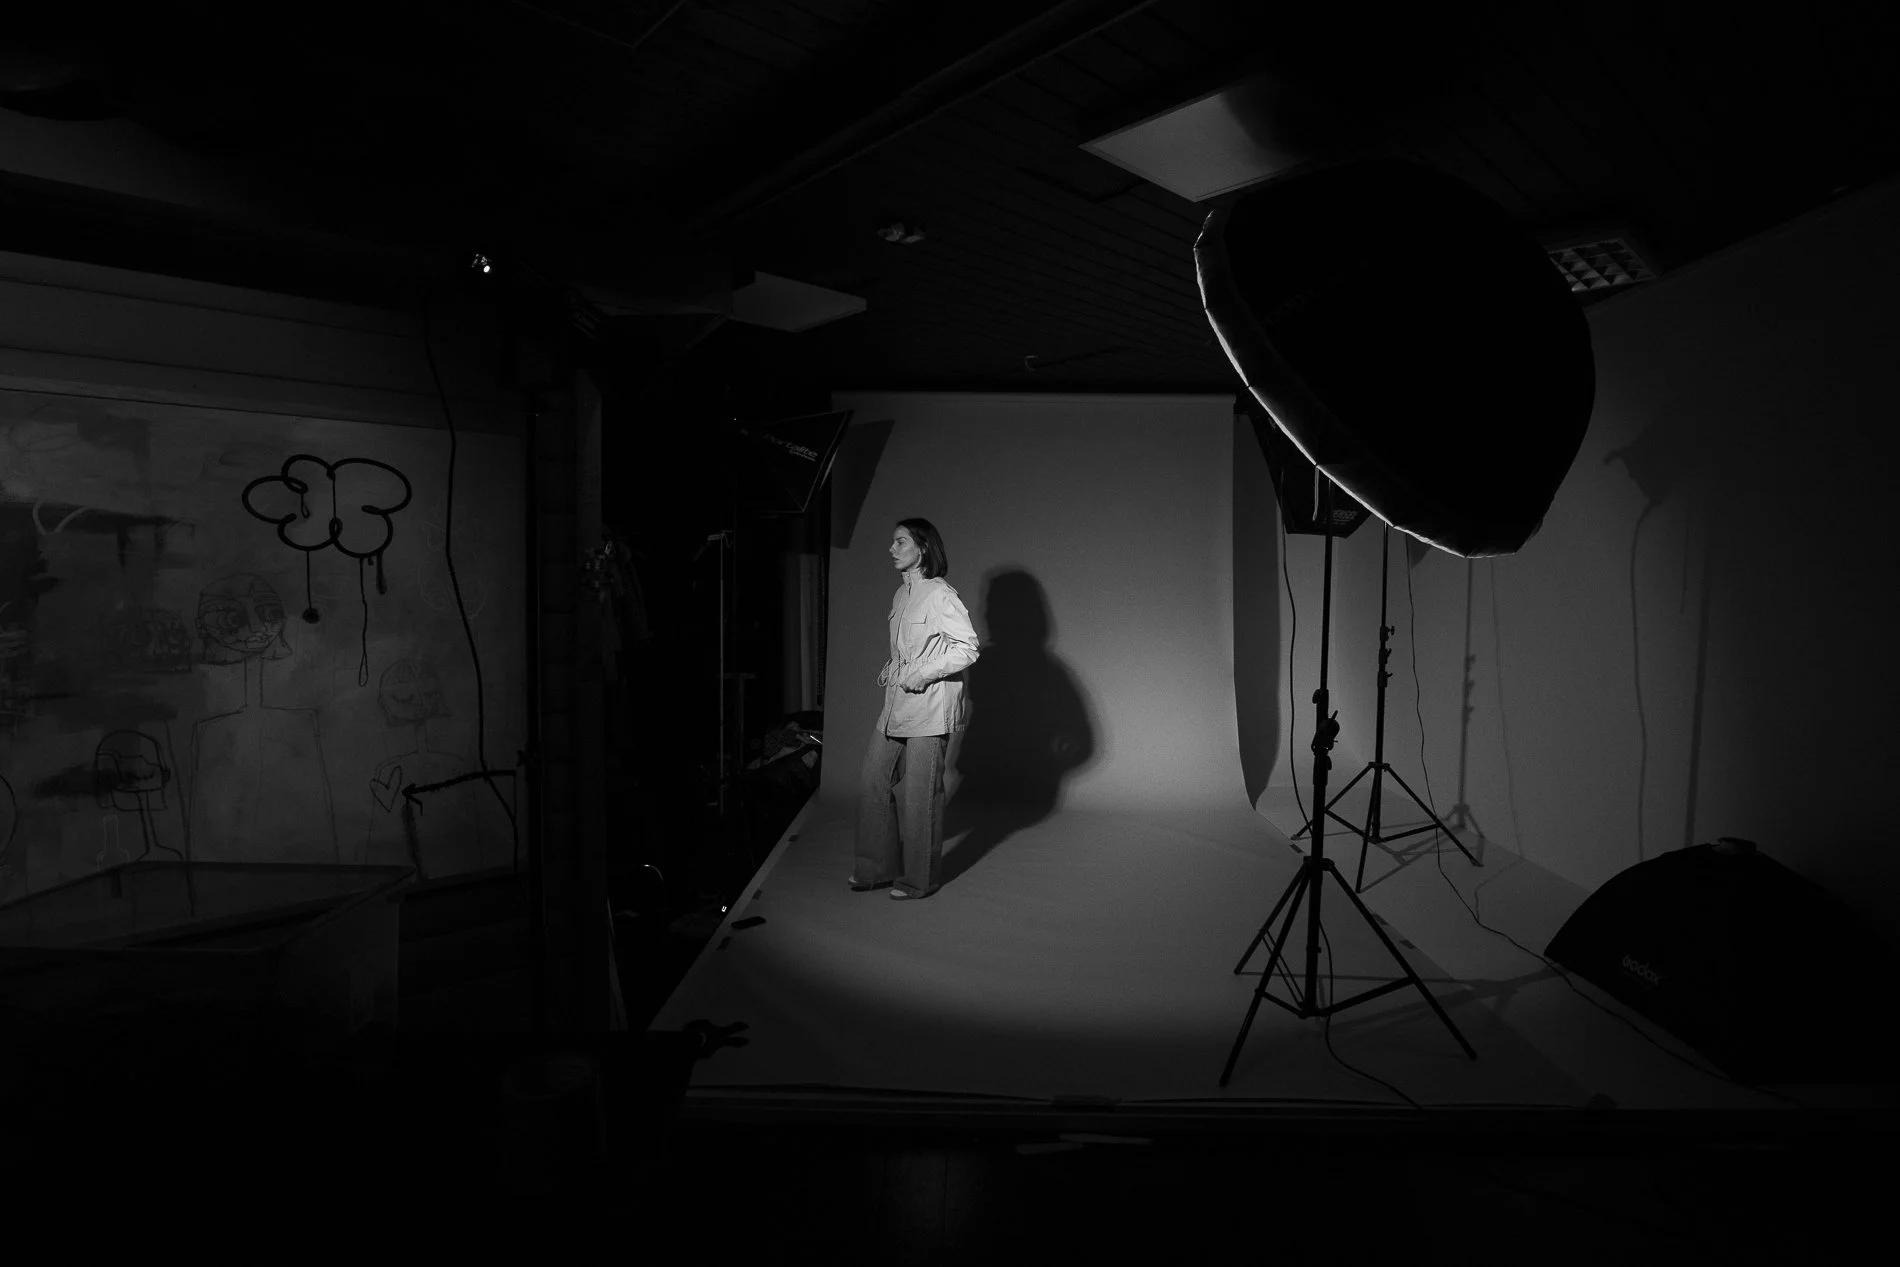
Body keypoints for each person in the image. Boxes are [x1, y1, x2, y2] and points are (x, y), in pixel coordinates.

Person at [851, 518, 980, 899]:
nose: (892, 549)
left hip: (929, 708)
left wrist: (923, 673)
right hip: (896, 704)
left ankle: (918, 880)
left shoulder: (940, 594)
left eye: (900, 542)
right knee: (874, 779)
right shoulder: (900, 595)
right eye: (892, 542)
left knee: (921, 795)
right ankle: (876, 869)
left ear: (922, 548)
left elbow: (967, 646)